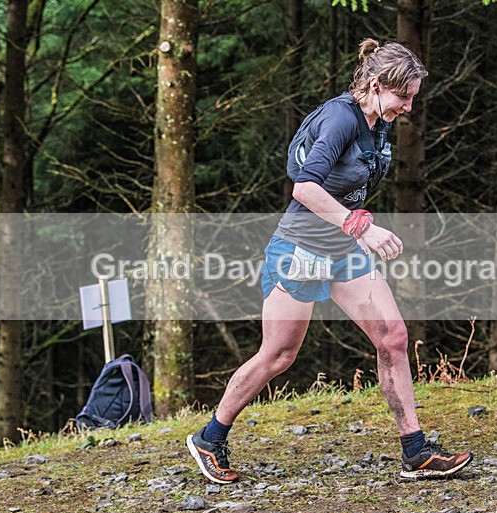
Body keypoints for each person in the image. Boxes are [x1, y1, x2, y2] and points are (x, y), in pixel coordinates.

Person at [187, 38, 473, 484]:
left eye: (414, 97)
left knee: (393, 337)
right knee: (278, 355)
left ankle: (415, 451)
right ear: (376, 85)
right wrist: (362, 227)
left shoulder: (378, 120)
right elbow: (303, 187)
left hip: (341, 251)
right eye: (405, 96)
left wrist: (353, 228)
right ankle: (209, 437)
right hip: (301, 252)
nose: (410, 107)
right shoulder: (341, 118)